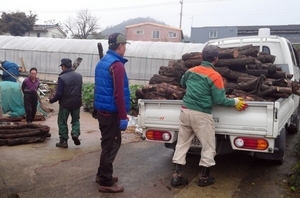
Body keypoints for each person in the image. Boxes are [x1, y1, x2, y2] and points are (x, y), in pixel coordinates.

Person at [171, 45, 248, 187]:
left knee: (182, 143)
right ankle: (204, 178)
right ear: (216, 59)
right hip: (201, 114)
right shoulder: (215, 76)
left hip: (185, 111)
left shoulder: (190, 71)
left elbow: (182, 83)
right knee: (208, 146)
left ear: (201, 57)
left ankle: (176, 176)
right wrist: (234, 101)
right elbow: (219, 100)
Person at [93, 33, 130, 193]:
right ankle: (106, 182)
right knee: (111, 145)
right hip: (111, 113)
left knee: (107, 143)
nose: (125, 48)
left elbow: (100, 87)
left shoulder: (102, 62)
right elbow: (118, 94)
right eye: (125, 46)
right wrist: (123, 116)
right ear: (120, 46)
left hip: (103, 111)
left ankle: (102, 174)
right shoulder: (117, 65)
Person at [49, 58, 82, 148]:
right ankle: (75, 133)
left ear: (63, 66)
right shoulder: (79, 76)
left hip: (65, 105)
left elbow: (59, 93)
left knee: (62, 122)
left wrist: (52, 100)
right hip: (76, 103)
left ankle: (63, 141)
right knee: (75, 120)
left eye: (61, 67)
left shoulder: (62, 78)